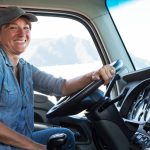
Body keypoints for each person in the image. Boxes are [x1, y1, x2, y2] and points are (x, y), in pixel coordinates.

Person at [0, 6, 116, 150]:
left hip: (19, 141)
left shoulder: (24, 67)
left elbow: (61, 86)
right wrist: (35, 146)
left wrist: (94, 75)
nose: (22, 34)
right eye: (13, 28)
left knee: (65, 136)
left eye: (26, 28)